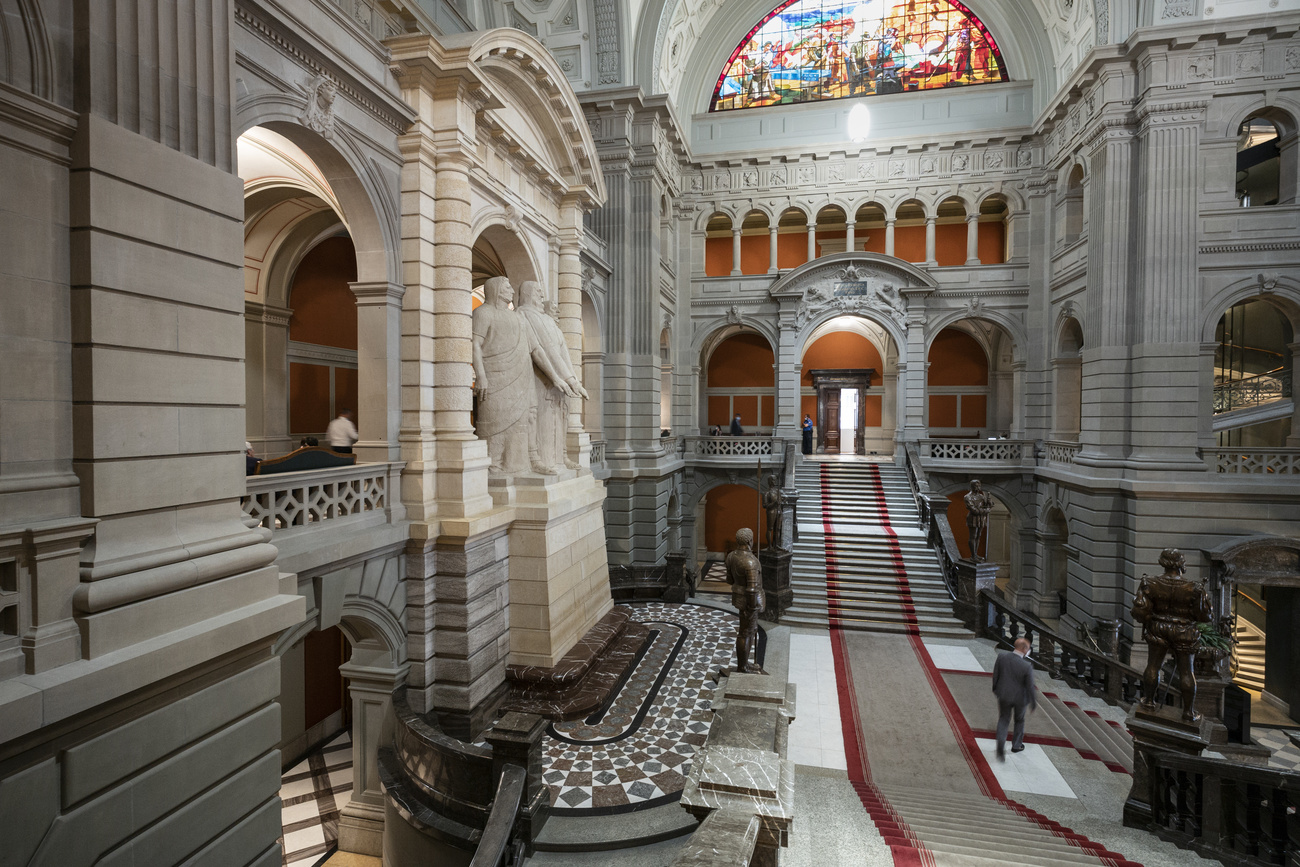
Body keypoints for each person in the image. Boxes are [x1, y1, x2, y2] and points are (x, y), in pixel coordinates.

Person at [1132, 548, 1212, 722]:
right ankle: (1188, 712)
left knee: (1153, 666)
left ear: (1162, 563)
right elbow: (1205, 617)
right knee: (1187, 672)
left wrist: (1150, 618)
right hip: (1184, 631)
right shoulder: (1195, 588)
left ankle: (1149, 701)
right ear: (1182, 564)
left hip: (1158, 627)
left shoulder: (1149, 583)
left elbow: (1139, 611)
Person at [726, 528, 765, 673]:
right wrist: (753, 607)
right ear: (749, 541)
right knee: (746, 632)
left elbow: (729, 579)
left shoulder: (731, 556)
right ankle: (743, 666)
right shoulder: (751, 562)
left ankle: (745, 665)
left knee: (748, 631)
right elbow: (752, 589)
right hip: (750, 601)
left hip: (738, 596)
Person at [991, 637, 1037, 760]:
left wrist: (995, 689)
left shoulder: (1002, 657)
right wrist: (1033, 703)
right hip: (1020, 699)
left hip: (1004, 695)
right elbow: (1030, 686)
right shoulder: (1026, 665)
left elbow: (996, 675)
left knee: (1004, 719)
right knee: (1019, 720)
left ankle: (1000, 745)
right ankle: (1016, 745)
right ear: (1024, 649)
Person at [964, 479, 994, 560]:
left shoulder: (981, 496)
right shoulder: (968, 497)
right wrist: (986, 511)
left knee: (978, 536)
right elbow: (974, 510)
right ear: (972, 487)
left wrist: (989, 501)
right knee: (973, 536)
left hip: (981, 518)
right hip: (973, 518)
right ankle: (973, 555)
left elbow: (989, 505)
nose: (977, 487)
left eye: (979, 486)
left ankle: (975, 554)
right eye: (976, 486)